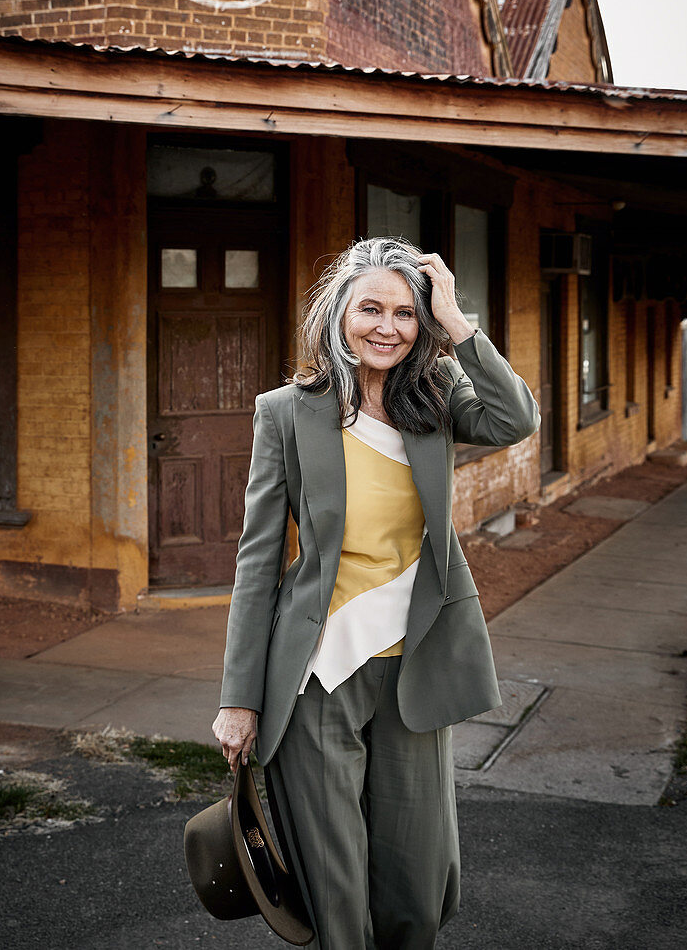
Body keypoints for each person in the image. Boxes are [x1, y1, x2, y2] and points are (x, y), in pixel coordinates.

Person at [213, 237, 540, 949]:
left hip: (415, 664)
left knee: (417, 883)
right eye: (370, 308)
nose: (386, 327)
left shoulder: (440, 394)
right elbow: (258, 558)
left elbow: (515, 419)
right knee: (334, 887)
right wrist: (239, 698)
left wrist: (456, 319)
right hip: (315, 674)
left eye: (404, 313)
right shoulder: (285, 412)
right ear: (339, 314)